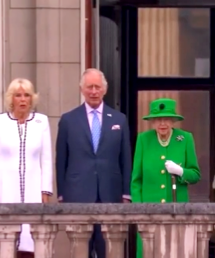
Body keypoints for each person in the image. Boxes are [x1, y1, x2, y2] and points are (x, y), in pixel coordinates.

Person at [55, 68, 132, 258]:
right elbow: (61, 159)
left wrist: (126, 193)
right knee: (80, 250)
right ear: (82, 89)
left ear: (105, 90)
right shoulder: (68, 120)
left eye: (97, 87)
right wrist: (62, 193)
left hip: (110, 194)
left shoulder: (119, 120)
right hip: (78, 194)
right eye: (90, 87)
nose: (94, 91)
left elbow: (125, 159)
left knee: (109, 250)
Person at [0, 78, 53, 258]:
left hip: (33, 188)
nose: (22, 100)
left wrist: (46, 191)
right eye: (18, 95)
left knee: (29, 242)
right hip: (4, 187)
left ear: (32, 99)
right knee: (2, 236)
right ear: (11, 99)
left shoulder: (41, 122)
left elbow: (46, 160)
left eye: (26, 95)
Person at [131, 98, 201, 258]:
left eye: (166, 119)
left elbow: (196, 175)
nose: (162, 123)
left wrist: (181, 171)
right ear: (152, 122)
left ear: (173, 120)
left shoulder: (184, 139)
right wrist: (139, 210)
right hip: (148, 214)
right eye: (158, 119)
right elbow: (136, 180)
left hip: (177, 212)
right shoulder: (143, 139)